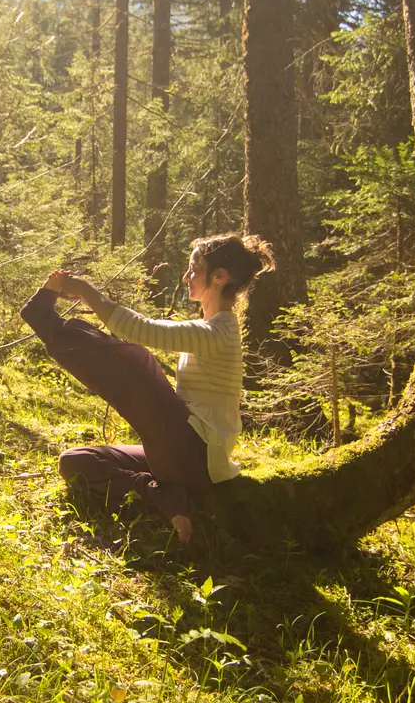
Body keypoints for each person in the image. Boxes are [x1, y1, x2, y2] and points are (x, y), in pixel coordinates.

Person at [20, 233, 276, 544]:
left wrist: (87, 291)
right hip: (184, 455)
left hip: (198, 455)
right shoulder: (211, 327)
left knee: (139, 360)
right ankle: (165, 496)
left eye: (195, 269)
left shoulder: (219, 332)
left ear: (219, 277)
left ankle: (43, 319)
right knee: (75, 460)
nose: (186, 276)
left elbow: (138, 329)